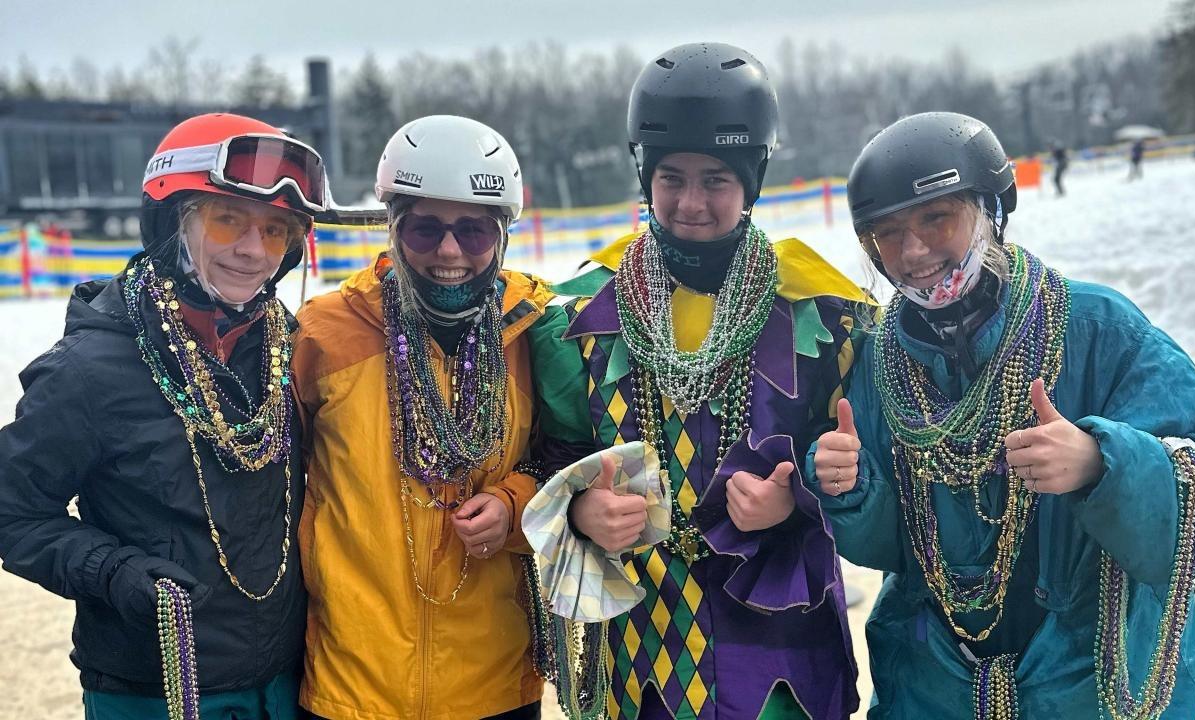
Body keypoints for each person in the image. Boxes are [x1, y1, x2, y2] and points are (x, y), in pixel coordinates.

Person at [815, 111, 1195, 718]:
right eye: (888, 233)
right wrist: (852, 490)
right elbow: (899, 552)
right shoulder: (877, 363)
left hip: (1092, 688)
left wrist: (1102, 464)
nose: (912, 251)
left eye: (936, 218)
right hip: (933, 688)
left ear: (991, 210)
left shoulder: (1097, 328)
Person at [530, 42, 869, 720]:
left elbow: (869, 476)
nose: (691, 202)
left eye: (715, 179)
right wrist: (581, 512)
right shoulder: (579, 322)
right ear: (644, 177)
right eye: (671, 178)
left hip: (780, 660)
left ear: (752, 180)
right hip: (643, 658)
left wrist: (796, 498)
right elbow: (549, 459)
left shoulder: (827, 316)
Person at [0, 112, 327, 718]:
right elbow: (12, 511)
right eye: (228, 219)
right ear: (171, 220)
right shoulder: (87, 370)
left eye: (276, 230)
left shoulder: (286, 347)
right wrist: (112, 571)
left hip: (284, 681)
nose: (253, 250)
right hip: (153, 692)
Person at [291, 115, 569, 720]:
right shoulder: (324, 332)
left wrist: (514, 507)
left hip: (493, 685)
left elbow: (571, 463)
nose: (449, 252)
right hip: (351, 688)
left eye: (473, 230)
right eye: (424, 229)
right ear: (392, 227)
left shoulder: (537, 331)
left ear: (501, 235)